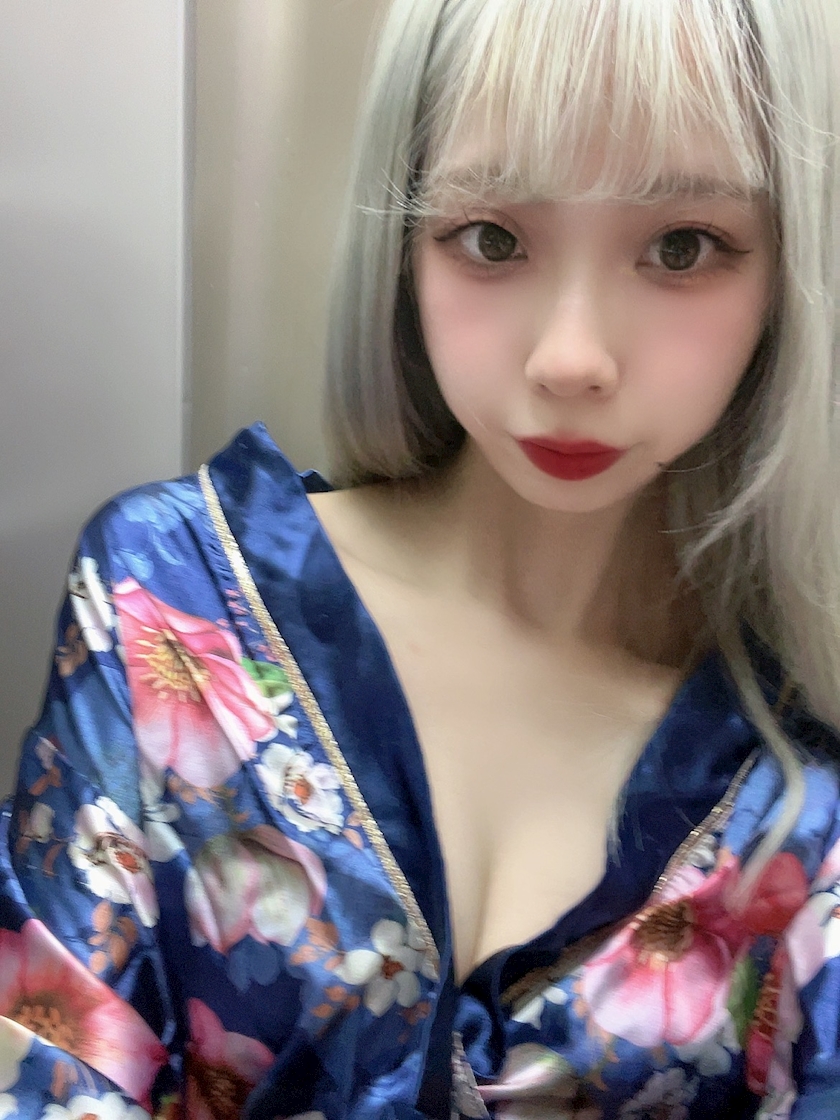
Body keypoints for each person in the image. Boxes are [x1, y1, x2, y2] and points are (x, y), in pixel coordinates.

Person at [1, 0, 839, 1115]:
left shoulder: (803, 778)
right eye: (491, 238)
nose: (571, 358)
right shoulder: (175, 606)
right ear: (403, 244)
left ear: (790, 271)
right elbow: (47, 1063)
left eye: (681, 247)